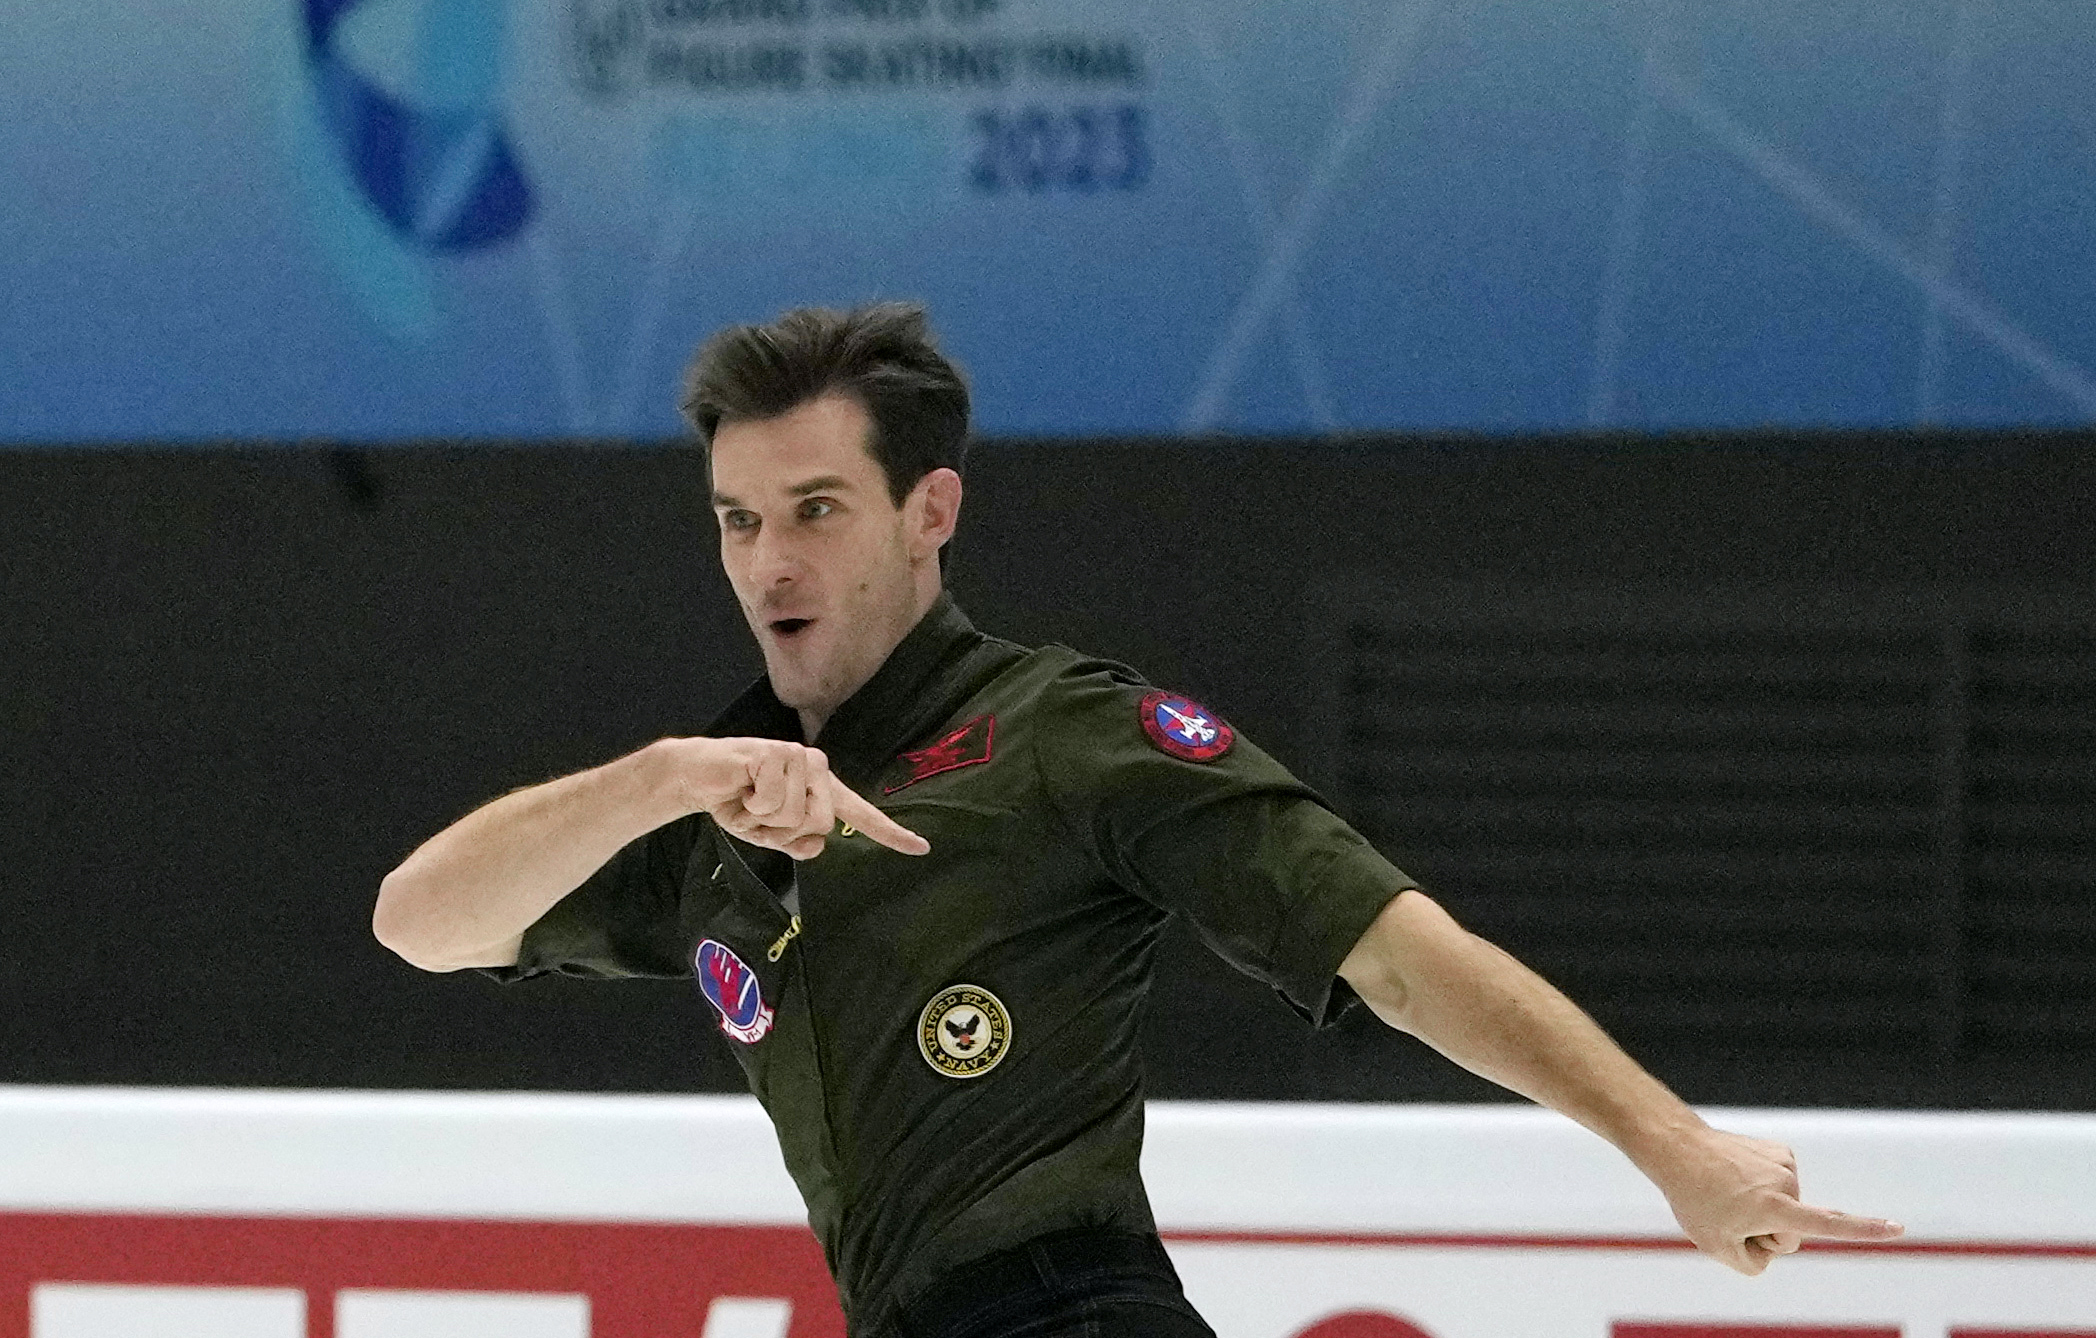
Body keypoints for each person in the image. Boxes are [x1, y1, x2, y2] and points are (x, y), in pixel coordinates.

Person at [372, 302, 1902, 1338]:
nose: (771, 560)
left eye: (817, 509)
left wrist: (1670, 1142)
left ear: (931, 512)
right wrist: (660, 778)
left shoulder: (1065, 733)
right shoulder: (722, 800)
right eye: (738, 519)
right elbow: (420, 922)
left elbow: (1385, 944)